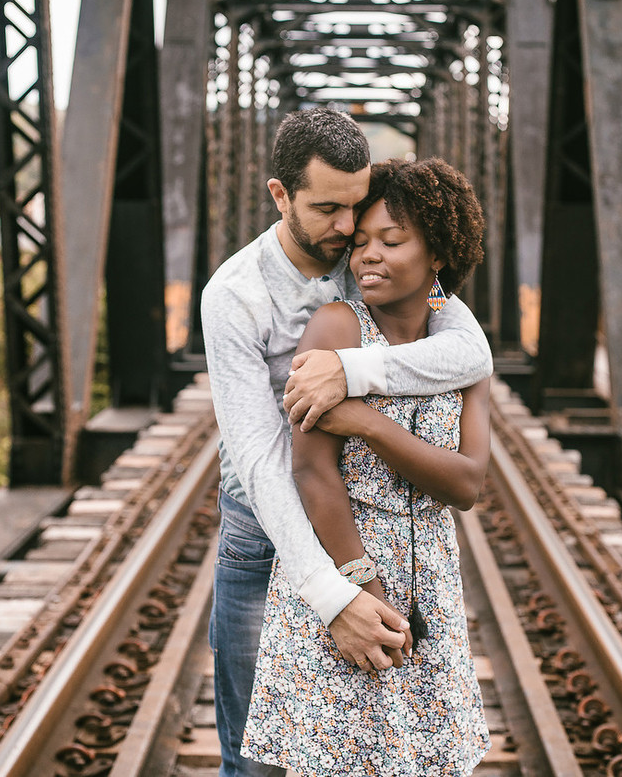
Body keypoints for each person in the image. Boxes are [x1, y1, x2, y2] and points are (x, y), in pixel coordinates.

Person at [200, 110, 493, 777]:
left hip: (376, 530)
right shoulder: (236, 295)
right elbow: (264, 463)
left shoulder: (371, 261)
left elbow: (471, 353)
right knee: (256, 761)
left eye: (355, 207)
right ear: (281, 196)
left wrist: (351, 373)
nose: (346, 231)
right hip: (265, 530)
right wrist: (336, 594)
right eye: (327, 209)